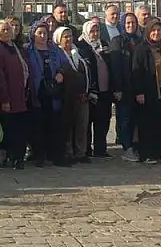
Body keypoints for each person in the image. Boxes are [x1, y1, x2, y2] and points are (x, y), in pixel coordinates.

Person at [28, 21, 70, 166]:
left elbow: (65, 64)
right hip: (38, 90)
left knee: (55, 123)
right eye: (39, 33)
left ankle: (56, 155)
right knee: (39, 124)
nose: (42, 36)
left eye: (45, 33)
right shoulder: (29, 50)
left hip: (54, 90)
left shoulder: (54, 50)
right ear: (33, 34)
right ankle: (39, 155)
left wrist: (61, 73)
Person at [131, 19, 161, 164]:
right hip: (148, 91)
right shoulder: (141, 49)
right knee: (147, 124)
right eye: (153, 30)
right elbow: (137, 72)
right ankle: (147, 153)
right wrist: (139, 92)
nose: (156, 33)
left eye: (159, 31)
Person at [0, 19, 31, 171]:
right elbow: (0, 77)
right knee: (9, 128)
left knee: (20, 128)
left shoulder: (17, 47)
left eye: (8, 29)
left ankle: (18, 157)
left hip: (21, 95)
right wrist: (5, 98)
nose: (7, 32)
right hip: (9, 96)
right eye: (3, 30)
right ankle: (7, 157)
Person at [53, 25, 91, 163]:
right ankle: (68, 152)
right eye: (65, 36)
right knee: (68, 125)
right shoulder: (57, 54)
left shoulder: (78, 52)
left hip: (82, 95)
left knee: (82, 124)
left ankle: (81, 152)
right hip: (66, 96)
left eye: (70, 36)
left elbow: (86, 72)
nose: (69, 39)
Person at [79, 18, 114, 158]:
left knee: (103, 120)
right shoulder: (81, 46)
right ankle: (86, 149)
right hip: (91, 91)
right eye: (92, 31)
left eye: (97, 30)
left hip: (105, 89)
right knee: (88, 121)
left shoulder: (104, 45)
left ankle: (101, 149)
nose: (95, 33)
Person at [109, 11, 142, 160]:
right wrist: (117, 88)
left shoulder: (140, 41)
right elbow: (115, 66)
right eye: (128, 23)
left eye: (133, 23)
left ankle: (135, 146)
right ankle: (126, 147)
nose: (131, 25)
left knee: (136, 119)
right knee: (124, 119)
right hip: (123, 87)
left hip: (137, 87)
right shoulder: (117, 41)